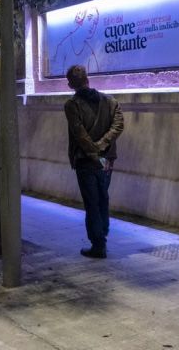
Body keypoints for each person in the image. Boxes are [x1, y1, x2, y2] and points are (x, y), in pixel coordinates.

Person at [64, 64, 124, 259]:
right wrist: (103, 146)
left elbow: (79, 134)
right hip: (106, 160)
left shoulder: (72, 105)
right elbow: (118, 125)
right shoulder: (110, 101)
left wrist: (94, 151)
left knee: (92, 202)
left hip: (86, 161)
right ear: (87, 79)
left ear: (71, 84)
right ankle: (102, 233)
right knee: (102, 198)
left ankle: (98, 244)